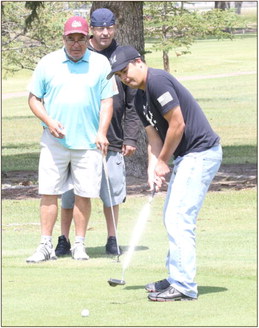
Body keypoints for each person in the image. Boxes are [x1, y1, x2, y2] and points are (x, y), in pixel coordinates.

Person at [107, 45, 222, 301]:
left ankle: (183, 285)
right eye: (119, 74)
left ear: (138, 62)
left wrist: (162, 161)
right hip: (187, 157)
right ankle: (175, 277)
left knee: (179, 218)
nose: (124, 77)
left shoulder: (157, 80)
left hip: (201, 153)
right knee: (172, 217)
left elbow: (177, 124)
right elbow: (153, 137)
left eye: (125, 70)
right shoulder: (138, 97)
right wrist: (153, 167)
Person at [26, 16, 115, 263]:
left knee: (84, 194)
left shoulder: (100, 63)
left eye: (81, 38)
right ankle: (45, 244)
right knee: (48, 192)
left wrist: (101, 131)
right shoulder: (48, 62)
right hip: (55, 140)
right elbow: (34, 98)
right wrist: (49, 121)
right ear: (63, 39)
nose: (76, 44)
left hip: (88, 142)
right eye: (70, 38)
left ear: (89, 38)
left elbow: (107, 101)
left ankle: (79, 244)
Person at [55, 8, 139, 257]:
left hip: (111, 138)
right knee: (70, 193)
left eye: (109, 27)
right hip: (77, 138)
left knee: (111, 191)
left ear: (115, 28)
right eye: (100, 28)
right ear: (91, 28)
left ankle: (112, 238)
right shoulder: (79, 51)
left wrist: (131, 136)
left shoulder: (123, 55)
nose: (105, 32)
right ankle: (64, 239)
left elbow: (134, 101)